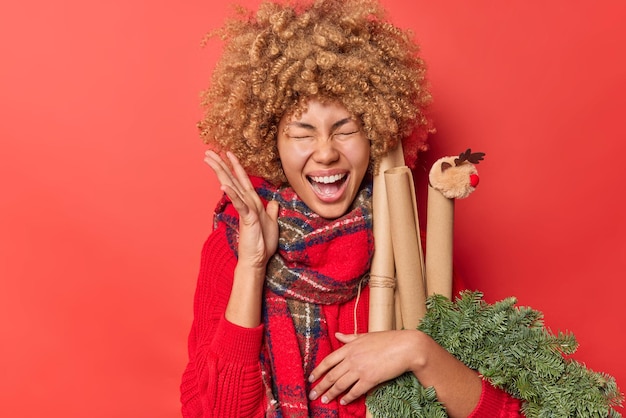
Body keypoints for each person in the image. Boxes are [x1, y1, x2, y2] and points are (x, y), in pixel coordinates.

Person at [180, 0, 524, 416]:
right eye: (302, 134)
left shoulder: (412, 254)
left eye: (346, 129)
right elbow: (213, 412)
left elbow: (505, 412)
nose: (325, 153)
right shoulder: (231, 250)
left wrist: (417, 350)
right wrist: (253, 265)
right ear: (272, 142)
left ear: (376, 133)